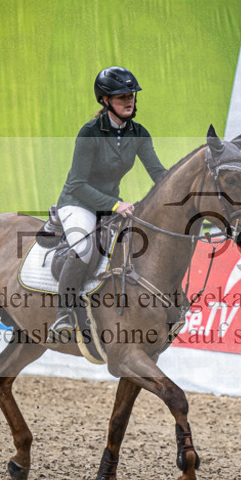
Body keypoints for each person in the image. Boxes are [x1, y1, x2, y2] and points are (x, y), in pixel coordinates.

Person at [49, 66, 167, 339]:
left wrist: (179, 191)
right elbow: (78, 184)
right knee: (84, 247)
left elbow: (158, 173)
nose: (129, 101)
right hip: (78, 202)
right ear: (105, 100)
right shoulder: (89, 133)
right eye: (122, 96)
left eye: (131, 95)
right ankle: (63, 314)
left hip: (110, 206)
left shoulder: (138, 133)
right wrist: (115, 205)